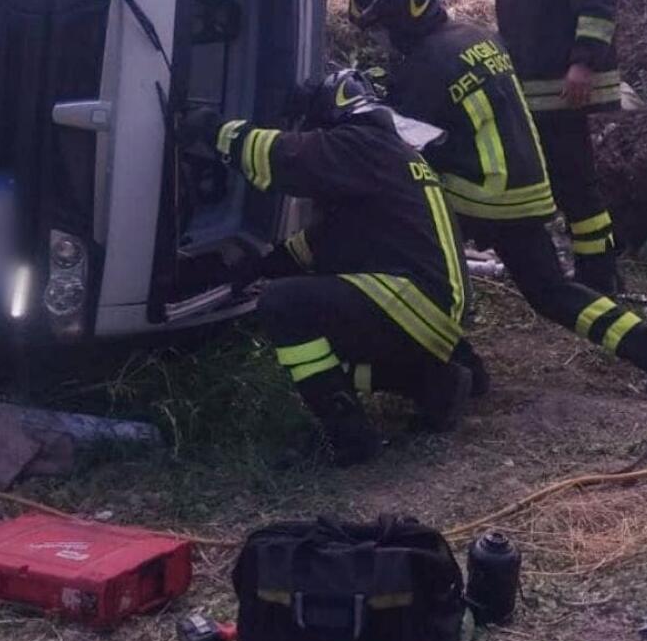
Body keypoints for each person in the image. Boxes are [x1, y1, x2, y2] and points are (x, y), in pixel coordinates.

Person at [349, 0, 647, 397]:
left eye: (382, 29)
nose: (383, 40)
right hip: (523, 186)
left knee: (409, 261)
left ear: (403, 15)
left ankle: (454, 370)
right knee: (551, 291)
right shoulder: (477, 38)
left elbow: (400, 137)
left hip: (480, 193)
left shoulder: (424, 66)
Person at [179, 69, 473, 466]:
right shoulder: (389, 151)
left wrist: (213, 129)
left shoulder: (357, 143)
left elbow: (282, 157)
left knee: (285, 307)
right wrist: (259, 266)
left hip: (413, 302)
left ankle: (350, 439)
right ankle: (433, 383)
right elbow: (330, 240)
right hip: (431, 308)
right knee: (323, 357)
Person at [481, 0, 622, 295]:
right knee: (544, 184)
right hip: (530, 81)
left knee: (576, 184)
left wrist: (583, 61)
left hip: (566, 82)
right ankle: (558, 274)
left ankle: (600, 280)